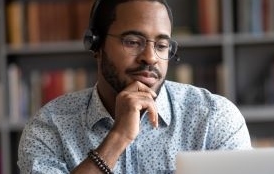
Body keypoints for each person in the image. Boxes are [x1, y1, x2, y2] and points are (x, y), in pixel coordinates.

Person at [17, 0, 252, 173]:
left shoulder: (214, 118)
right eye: (132, 42)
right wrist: (118, 137)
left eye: (161, 45)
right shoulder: (49, 127)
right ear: (96, 45)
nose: (150, 57)